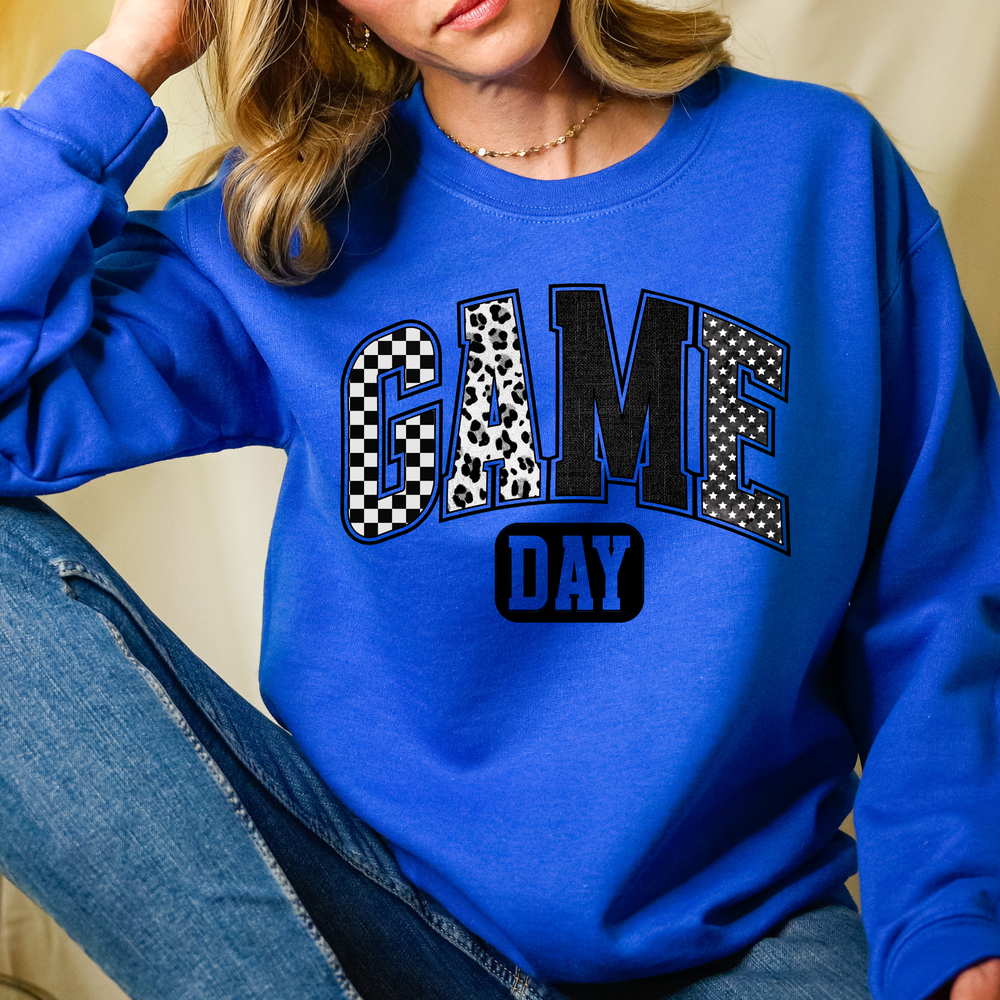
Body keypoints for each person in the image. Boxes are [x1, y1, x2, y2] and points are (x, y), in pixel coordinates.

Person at [0, 0, 998, 998]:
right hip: (371, 925)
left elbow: (938, 590)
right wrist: (132, 56)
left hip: (736, 943)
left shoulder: (816, 171)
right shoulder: (288, 230)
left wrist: (955, 925)